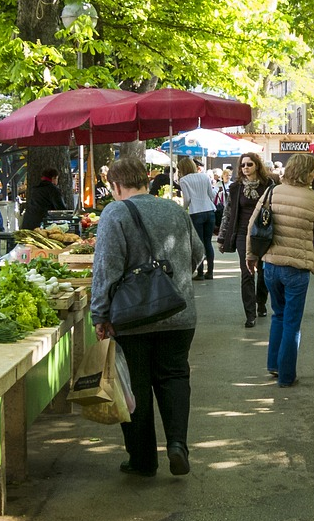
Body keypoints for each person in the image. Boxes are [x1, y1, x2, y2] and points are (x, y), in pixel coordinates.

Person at [91, 157, 204, 478]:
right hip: (179, 312)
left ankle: (142, 460)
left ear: (115, 185)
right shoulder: (174, 209)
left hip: (132, 318)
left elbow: (106, 269)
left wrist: (99, 314)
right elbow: (197, 254)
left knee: (135, 387)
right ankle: (178, 445)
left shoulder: (114, 213)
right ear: (146, 179)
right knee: (174, 377)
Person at [243, 154, 314, 387]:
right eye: (312, 171)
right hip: (297, 269)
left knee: (278, 316)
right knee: (292, 322)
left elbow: (253, 224)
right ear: (305, 172)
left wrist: (251, 255)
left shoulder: (272, 192)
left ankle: (274, 365)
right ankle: (287, 376)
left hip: (271, 266)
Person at [218, 152, 273, 328]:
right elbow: (228, 213)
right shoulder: (236, 188)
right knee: (247, 272)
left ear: (257, 165)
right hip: (242, 234)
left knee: (264, 272)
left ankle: (261, 302)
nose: (245, 168)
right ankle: (250, 314)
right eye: (243, 165)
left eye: (249, 164)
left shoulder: (268, 185)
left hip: (263, 233)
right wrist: (222, 237)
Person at [177, 157, 217, 280]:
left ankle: (200, 272)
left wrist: (183, 209)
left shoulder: (184, 180)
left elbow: (187, 199)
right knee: (208, 242)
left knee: (198, 244)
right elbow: (212, 194)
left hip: (196, 212)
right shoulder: (204, 177)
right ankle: (210, 272)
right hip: (209, 210)